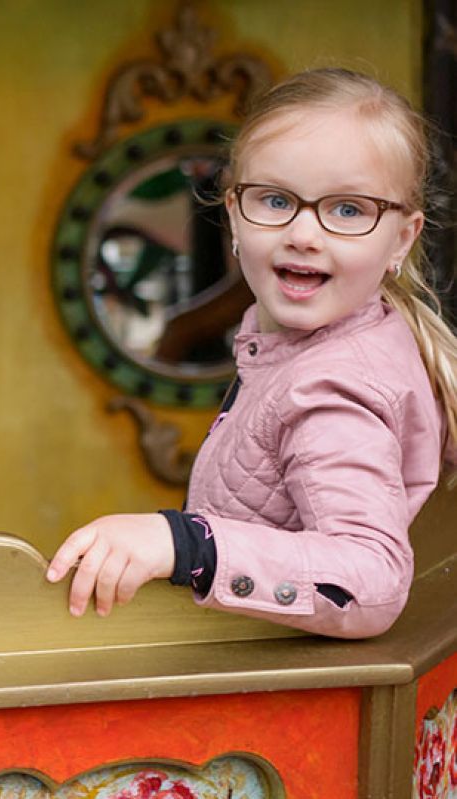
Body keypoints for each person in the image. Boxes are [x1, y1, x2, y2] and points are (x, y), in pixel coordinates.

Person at [47, 68, 457, 639]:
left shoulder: (333, 391)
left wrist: (187, 545)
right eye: (275, 199)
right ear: (234, 214)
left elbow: (370, 580)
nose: (305, 234)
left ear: (403, 238)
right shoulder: (336, 340)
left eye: (348, 210)